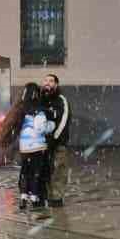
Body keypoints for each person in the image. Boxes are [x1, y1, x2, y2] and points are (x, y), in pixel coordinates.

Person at [0, 83, 54, 208]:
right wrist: (51, 125)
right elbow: (40, 128)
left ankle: (23, 197)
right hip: (38, 148)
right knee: (36, 173)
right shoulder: (38, 111)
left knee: (25, 172)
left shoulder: (20, 111)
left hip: (25, 149)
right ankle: (34, 198)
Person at [41, 74, 71, 206]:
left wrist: (54, 138)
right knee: (45, 169)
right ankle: (47, 195)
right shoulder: (40, 100)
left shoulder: (61, 100)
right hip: (43, 144)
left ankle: (57, 197)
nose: (48, 83)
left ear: (56, 84)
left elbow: (64, 120)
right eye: (46, 80)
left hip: (59, 143)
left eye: (51, 81)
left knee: (59, 168)